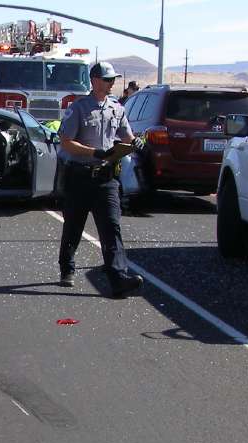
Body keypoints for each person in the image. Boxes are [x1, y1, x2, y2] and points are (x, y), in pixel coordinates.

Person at [56, 61, 146, 296]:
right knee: (74, 225)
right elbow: (66, 143)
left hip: (106, 179)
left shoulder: (117, 108)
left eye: (113, 79)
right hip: (79, 177)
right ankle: (67, 267)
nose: (111, 83)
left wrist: (135, 142)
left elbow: (127, 136)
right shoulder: (79, 108)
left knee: (111, 227)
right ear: (94, 80)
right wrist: (94, 152)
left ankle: (118, 278)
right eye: (107, 79)